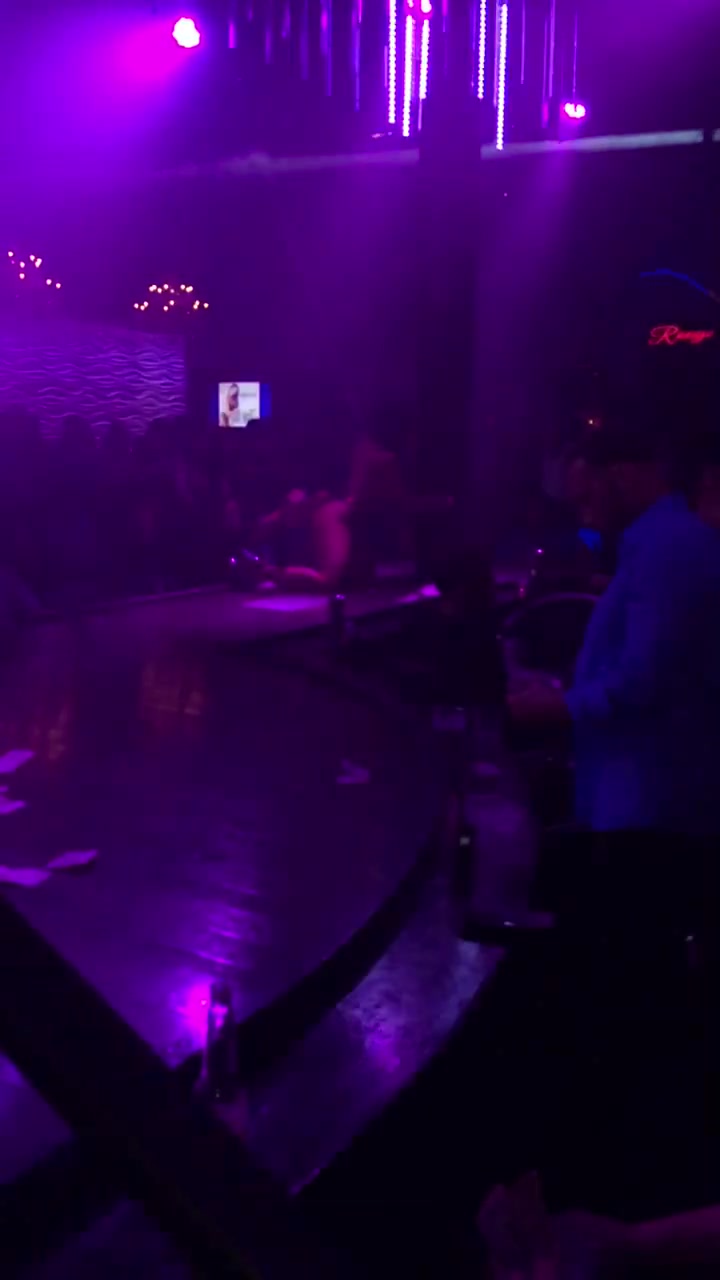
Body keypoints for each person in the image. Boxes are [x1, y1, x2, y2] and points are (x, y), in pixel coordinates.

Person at [510, 423, 720, 834]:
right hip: (644, 799)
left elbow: (641, 683)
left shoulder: (668, 547)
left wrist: (555, 706)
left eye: (587, 499)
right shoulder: (658, 543)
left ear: (620, 476)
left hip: (650, 806)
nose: (586, 517)